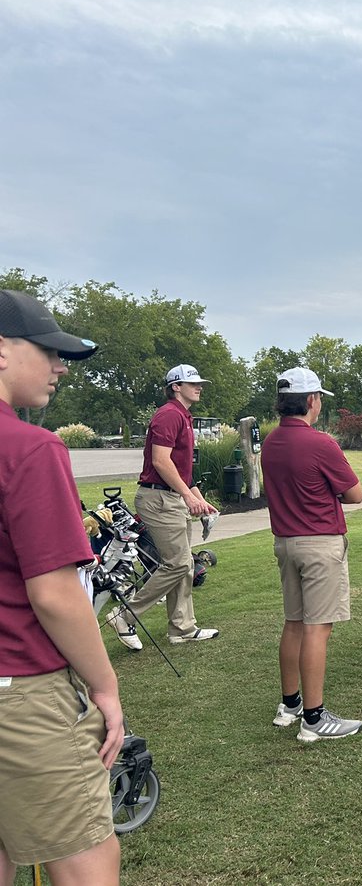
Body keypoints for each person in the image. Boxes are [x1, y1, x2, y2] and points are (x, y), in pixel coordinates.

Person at [0, 289, 123, 885]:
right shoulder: (29, 447)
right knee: (85, 860)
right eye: (48, 350)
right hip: (20, 690)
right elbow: (53, 594)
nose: (60, 366)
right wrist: (105, 686)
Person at [262, 367, 362, 742]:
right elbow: (355, 494)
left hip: (285, 541)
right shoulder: (321, 444)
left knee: (294, 622)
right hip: (319, 542)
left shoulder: (271, 442)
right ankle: (314, 717)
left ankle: (290, 704)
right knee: (317, 628)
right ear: (310, 400)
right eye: (319, 397)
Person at [105, 363, 219, 649]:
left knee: (185, 565)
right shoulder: (169, 414)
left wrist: (197, 498)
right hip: (159, 499)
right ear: (175, 387)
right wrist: (188, 497)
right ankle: (124, 615)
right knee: (177, 563)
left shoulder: (183, 416)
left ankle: (182, 628)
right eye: (192, 383)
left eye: (199, 383)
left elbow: (182, 470)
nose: (199, 387)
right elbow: (160, 461)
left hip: (171, 497)